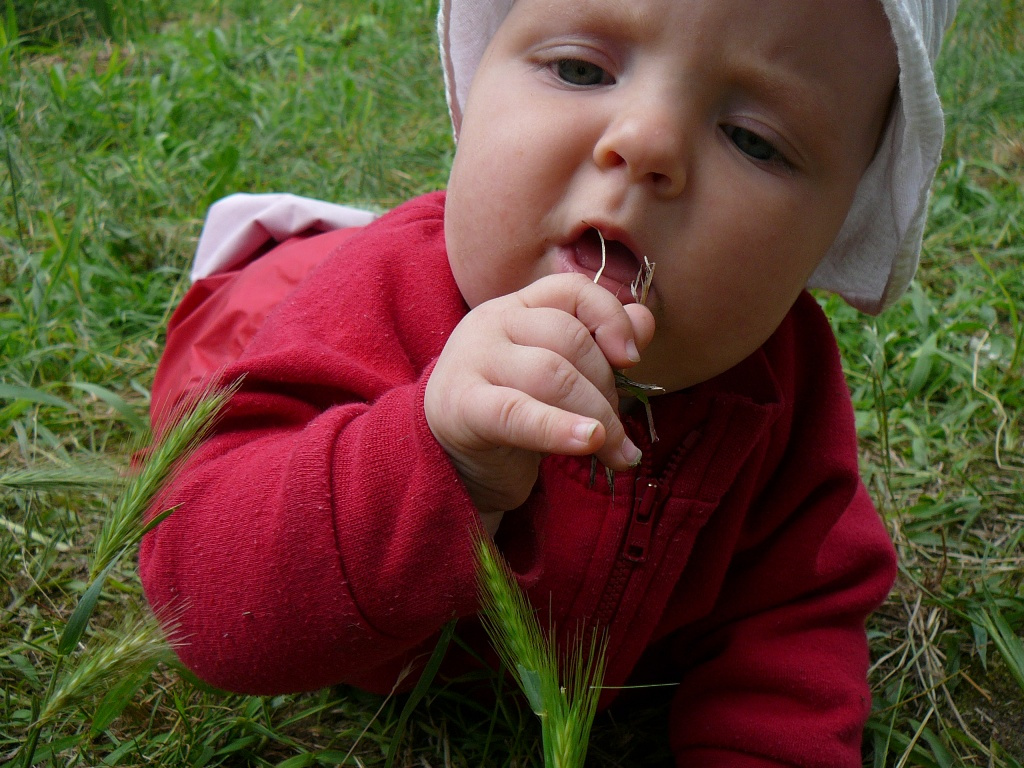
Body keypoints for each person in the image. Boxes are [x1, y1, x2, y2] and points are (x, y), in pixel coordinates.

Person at [140, 0, 958, 764]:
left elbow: (793, 627)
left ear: (835, 228)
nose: (646, 144)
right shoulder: (380, 298)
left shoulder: (785, 395)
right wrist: (434, 457)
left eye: (753, 139)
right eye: (579, 70)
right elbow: (203, 603)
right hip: (275, 326)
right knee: (239, 336)